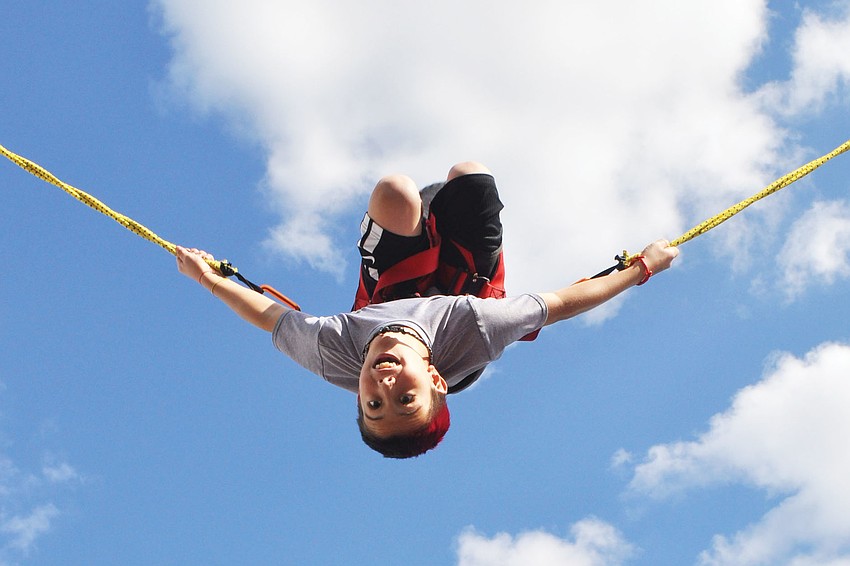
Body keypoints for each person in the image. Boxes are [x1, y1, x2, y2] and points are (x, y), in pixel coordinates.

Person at [176, 162, 679, 458]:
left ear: (357, 393)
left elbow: (267, 315)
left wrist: (205, 275)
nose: (385, 390)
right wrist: (642, 268)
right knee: (468, 174)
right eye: (405, 401)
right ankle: (441, 223)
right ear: (435, 382)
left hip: (392, 293)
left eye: (373, 405)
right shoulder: (481, 328)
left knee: (394, 191)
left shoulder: (331, 355)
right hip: (464, 296)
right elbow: (564, 302)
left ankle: (420, 225)